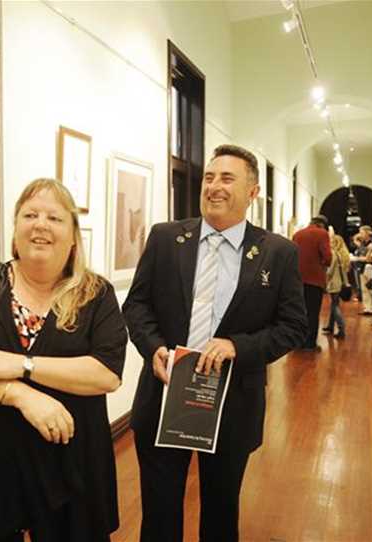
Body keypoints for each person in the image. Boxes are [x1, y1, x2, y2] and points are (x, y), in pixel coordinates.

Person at [122, 144, 307, 541]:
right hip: (164, 395)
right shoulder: (166, 238)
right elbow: (136, 305)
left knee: (222, 511)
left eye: (227, 178)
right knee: (159, 511)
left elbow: (292, 326)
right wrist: (153, 347)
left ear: (253, 192)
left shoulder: (278, 253)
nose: (214, 186)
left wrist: (238, 346)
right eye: (209, 177)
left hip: (232, 403)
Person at [0, 179, 128, 541]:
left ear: (73, 236)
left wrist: (21, 364)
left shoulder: (96, 293)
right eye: (30, 214)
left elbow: (106, 373)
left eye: (54, 218)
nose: (40, 224)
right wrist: (22, 395)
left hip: (71, 459)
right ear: (15, 231)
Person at [292, 215, 333, 352]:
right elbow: (327, 258)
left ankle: (297, 342)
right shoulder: (322, 234)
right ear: (323, 225)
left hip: (297, 279)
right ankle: (309, 344)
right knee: (312, 312)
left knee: (298, 312)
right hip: (314, 279)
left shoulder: (297, 234)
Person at [322, 228, 351, 339]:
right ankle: (330, 326)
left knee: (335, 306)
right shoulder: (344, 255)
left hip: (334, 283)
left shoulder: (334, 254)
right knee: (334, 304)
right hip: (342, 283)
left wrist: (325, 280)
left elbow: (330, 271)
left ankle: (341, 328)